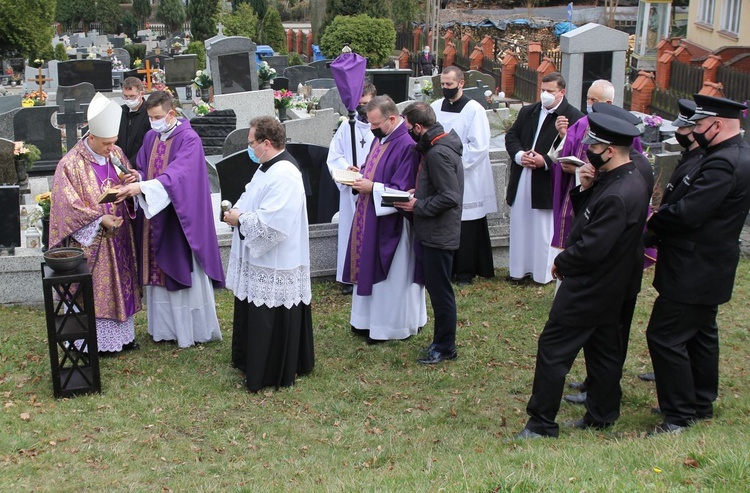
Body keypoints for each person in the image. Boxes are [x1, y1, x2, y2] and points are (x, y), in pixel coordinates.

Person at [516, 113, 649, 439]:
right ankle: (603, 413)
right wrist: (587, 186)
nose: (589, 152)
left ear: (610, 150)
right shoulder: (623, 177)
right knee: (603, 350)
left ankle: (541, 422)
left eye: (595, 147)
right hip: (610, 285)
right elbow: (592, 217)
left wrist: (564, 262)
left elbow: (593, 245)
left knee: (554, 349)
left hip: (591, 285)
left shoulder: (620, 191)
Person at [644, 94, 750, 434]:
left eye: (700, 125)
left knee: (665, 336)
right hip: (711, 265)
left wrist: (653, 223)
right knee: (702, 333)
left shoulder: (721, 163)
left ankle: (678, 414)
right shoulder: (735, 155)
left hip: (693, 265)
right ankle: (701, 401)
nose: (695, 131)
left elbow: (690, 212)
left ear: (717, 125)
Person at [561, 101, 654, 405]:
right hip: (612, 270)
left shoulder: (632, 171)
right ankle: (596, 387)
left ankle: (602, 395)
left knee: (610, 340)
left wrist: (566, 261)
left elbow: (602, 229)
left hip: (617, 272)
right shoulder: (619, 170)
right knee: (602, 340)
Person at [115, 90, 224, 348]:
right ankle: (163, 329)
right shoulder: (152, 136)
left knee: (179, 268)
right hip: (155, 215)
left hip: (180, 218)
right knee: (157, 271)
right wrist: (136, 177)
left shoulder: (189, 139)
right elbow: (144, 168)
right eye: (151, 117)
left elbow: (179, 175)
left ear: (171, 113)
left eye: (158, 117)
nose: (154, 122)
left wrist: (143, 188)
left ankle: (191, 331)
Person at [223, 116, 314, 392]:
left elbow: (273, 224)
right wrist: (235, 212)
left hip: (278, 258)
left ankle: (270, 368)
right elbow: (249, 196)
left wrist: (240, 220)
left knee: (270, 310)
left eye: (252, 143)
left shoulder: (285, 173)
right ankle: (249, 359)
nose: (249, 148)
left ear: (266, 142)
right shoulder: (266, 167)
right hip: (259, 256)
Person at [49, 93, 142, 355]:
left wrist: (131, 182)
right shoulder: (70, 165)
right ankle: (93, 341)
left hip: (120, 236)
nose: (111, 148)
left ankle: (123, 337)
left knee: (121, 282)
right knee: (99, 288)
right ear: (91, 138)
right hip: (93, 243)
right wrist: (99, 219)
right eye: (106, 144)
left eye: (114, 143)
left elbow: (125, 180)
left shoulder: (117, 153)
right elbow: (66, 207)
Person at [342, 95, 427, 344]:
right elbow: (375, 168)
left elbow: (405, 190)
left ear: (392, 118)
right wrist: (360, 175)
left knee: (394, 277)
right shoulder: (383, 138)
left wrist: (373, 187)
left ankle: (392, 326)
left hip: (394, 223)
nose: (372, 128)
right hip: (371, 215)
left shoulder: (407, 144)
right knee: (368, 266)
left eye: (376, 124)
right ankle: (366, 320)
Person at [398, 102, 464, 364]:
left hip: (439, 233)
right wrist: (421, 193)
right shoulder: (439, 146)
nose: (408, 134)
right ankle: (442, 342)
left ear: (417, 127)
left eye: (408, 129)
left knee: (440, 292)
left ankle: (446, 346)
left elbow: (450, 196)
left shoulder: (437, 153)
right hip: (436, 231)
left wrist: (418, 205)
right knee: (439, 289)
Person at [505, 72, 584, 284]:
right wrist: (520, 155)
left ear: (562, 92)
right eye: (543, 90)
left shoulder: (573, 116)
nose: (545, 95)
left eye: (550, 91)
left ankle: (542, 274)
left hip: (547, 181)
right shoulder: (528, 111)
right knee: (520, 223)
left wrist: (546, 162)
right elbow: (512, 135)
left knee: (542, 229)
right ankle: (518, 271)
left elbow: (574, 150)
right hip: (523, 175)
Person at [431, 66, 496, 285]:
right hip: (440, 173)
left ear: (461, 83)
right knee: (445, 219)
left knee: (466, 222)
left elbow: (479, 146)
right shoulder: (435, 107)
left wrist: (453, 165)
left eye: (449, 84)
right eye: (442, 84)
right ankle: (447, 267)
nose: (445, 88)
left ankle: (466, 270)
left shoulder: (474, 109)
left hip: (467, 172)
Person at [326, 83, 377, 295]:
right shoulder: (348, 126)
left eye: (367, 104)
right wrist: (346, 167)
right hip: (350, 188)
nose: (363, 110)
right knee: (350, 229)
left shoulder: (381, 126)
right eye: (359, 105)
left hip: (372, 187)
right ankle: (349, 276)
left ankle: (371, 272)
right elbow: (334, 155)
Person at [116, 77, 151, 165]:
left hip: (141, 164)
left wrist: (131, 164)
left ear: (141, 94)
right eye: (125, 96)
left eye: (132, 96)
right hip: (120, 163)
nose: (128, 100)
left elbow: (148, 145)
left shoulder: (150, 113)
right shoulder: (119, 111)